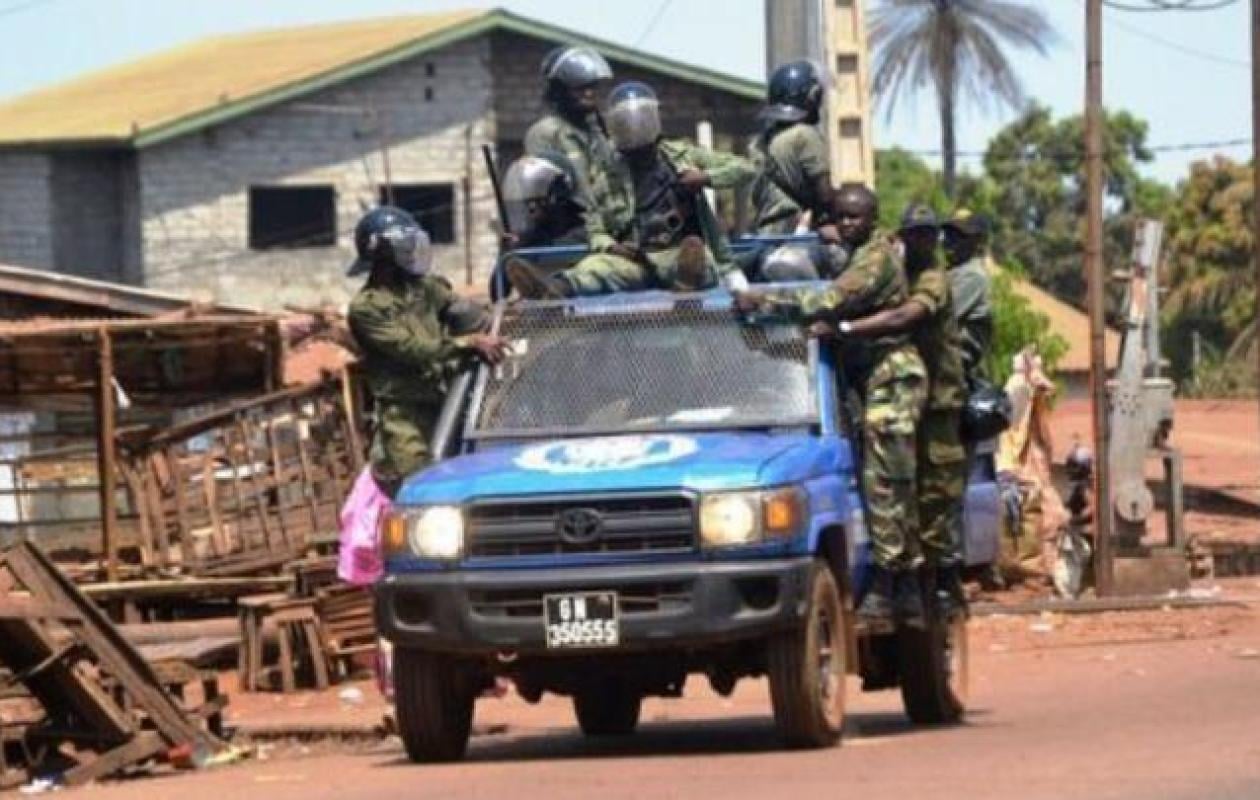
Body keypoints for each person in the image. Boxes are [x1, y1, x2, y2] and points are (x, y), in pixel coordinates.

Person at [734, 184, 928, 625]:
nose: (845, 224)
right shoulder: (862, 252)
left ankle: (896, 587)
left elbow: (828, 298)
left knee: (887, 484)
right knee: (882, 483)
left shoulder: (874, 260)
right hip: (872, 378)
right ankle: (900, 588)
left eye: (854, 218)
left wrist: (763, 298)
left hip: (891, 377)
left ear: (873, 219)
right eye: (840, 217)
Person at [821, 204, 969, 616]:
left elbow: (906, 316)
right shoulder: (889, 262)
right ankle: (911, 584)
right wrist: (837, 233)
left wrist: (846, 329)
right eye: (914, 234)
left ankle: (939, 584)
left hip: (938, 401)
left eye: (928, 234)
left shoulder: (932, 279)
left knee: (932, 494)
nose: (922, 241)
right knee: (898, 483)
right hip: (903, 392)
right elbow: (868, 238)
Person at [507, 81, 757, 299]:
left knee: (698, 260)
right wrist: (611, 246)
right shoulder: (606, 174)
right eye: (625, 122)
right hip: (635, 262)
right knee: (595, 267)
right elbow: (594, 228)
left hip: (678, 254)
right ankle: (553, 290)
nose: (634, 128)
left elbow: (746, 169)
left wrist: (705, 177)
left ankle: (686, 283)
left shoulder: (681, 155)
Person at [347, 206, 509, 497]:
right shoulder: (367, 308)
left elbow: (462, 311)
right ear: (382, 254)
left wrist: (494, 315)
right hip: (406, 415)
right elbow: (412, 349)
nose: (411, 252)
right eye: (403, 246)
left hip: (449, 402)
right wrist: (467, 343)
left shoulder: (425, 288)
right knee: (421, 490)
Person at [749, 60, 842, 282]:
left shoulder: (759, 142)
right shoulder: (805, 135)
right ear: (812, 97)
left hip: (764, 238)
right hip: (797, 236)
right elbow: (825, 194)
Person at [524, 45, 616, 200]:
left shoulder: (596, 130)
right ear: (560, 90)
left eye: (592, 86)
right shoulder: (546, 133)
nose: (589, 93)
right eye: (580, 88)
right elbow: (541, 192)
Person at [943, 208, 993, 381]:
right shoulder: (950, 271)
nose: (949, 242)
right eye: (948, 235)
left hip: (956, 366)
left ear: (976, 241)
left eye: (959, 237)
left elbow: (940, 315)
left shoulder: (972, 275)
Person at [500, 152, 587, 249]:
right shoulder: (532, 236)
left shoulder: (586, 232)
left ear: (557, 197)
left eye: (537, 202)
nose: (531, 210)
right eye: (527, 204)